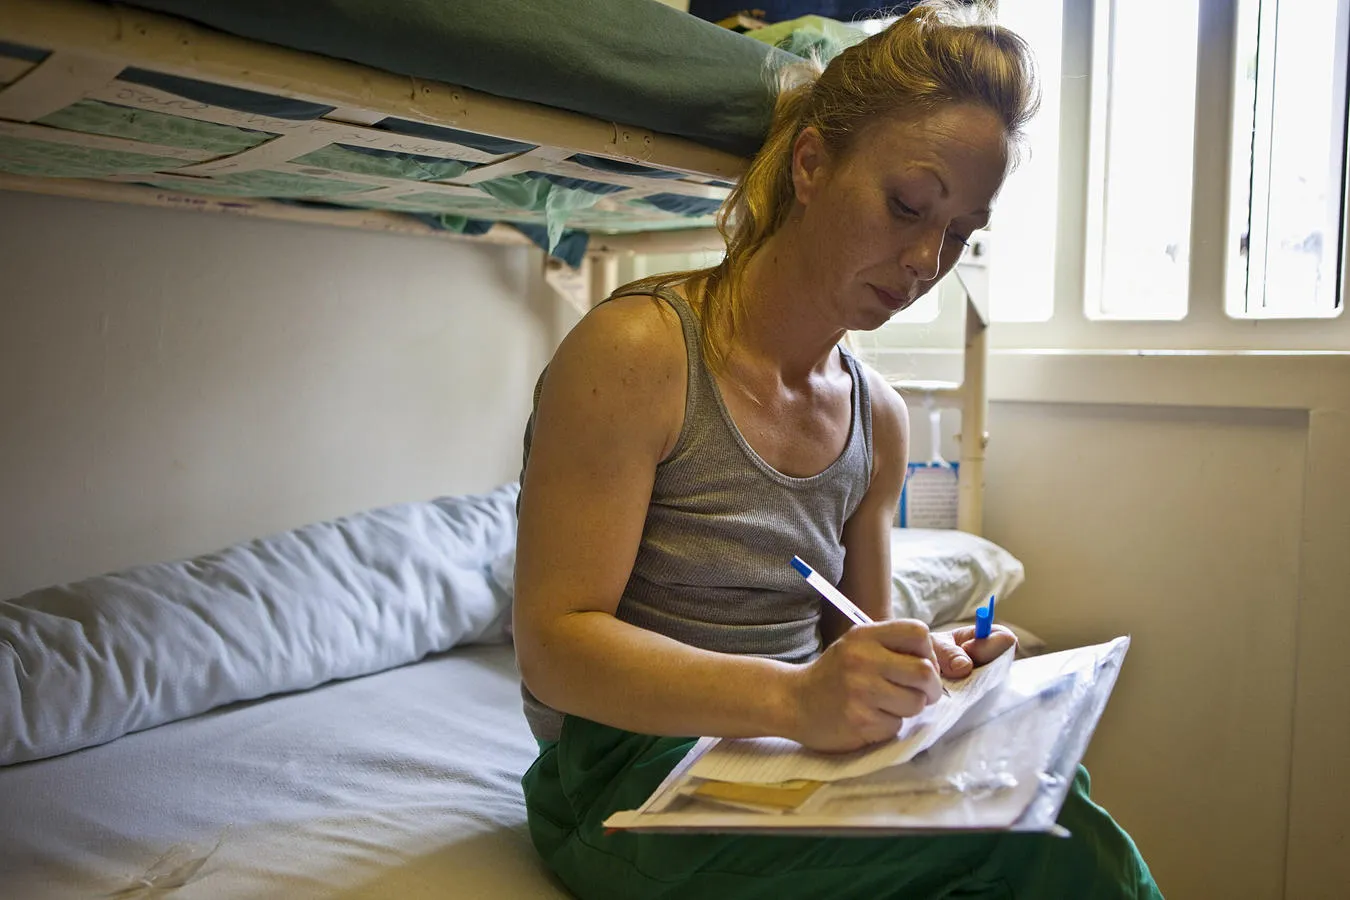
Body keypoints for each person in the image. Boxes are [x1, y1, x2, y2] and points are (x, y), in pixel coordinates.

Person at [511, 2, 1163, 897]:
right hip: (623, 777)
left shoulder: (876, 417)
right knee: (1034, 860)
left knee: (1054, 807)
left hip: (779, 760)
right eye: (908, 206)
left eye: (960, 232)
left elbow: (854, 635)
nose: (926, 260)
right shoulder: (641, 355)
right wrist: (792, 699)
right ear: (812, 164)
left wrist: (927, 667)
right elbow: (555, 648)